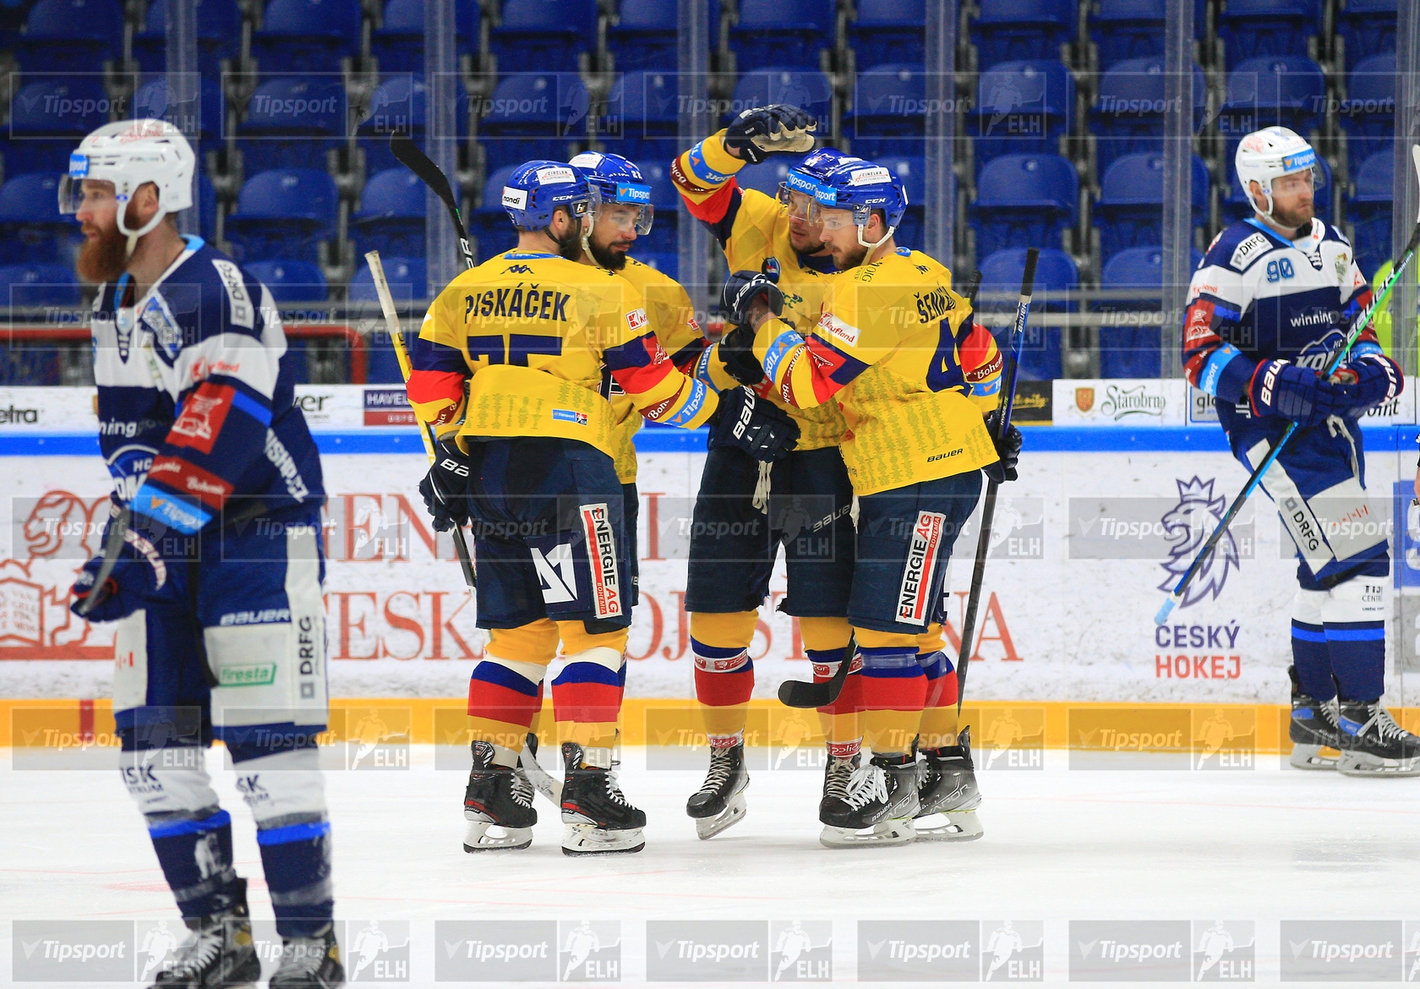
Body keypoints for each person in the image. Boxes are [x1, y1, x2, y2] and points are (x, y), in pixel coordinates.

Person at [406, 160, 798, 854]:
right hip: (574, 471)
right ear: (563, 219)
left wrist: (454, 453)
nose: (605, 224)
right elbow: (659, 390)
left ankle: (492, 788)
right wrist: (731, 414)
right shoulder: (600, 289)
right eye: (591, 213)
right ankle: (589, 790)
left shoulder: (462, 289)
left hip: (493, 472)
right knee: (595, 634)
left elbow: (433, 392)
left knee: (517, 639)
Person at [63, 120, 343, 987]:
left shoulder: (212, 289)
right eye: (83, 193)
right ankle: (219, 931)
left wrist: (145, 533)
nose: (83, 212)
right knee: (152, 751)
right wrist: (131, 528)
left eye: (100, 194)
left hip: (259, 532)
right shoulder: (116, 302)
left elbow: (221, 420)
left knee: (269, 749)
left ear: (150, 201)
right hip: (165, 539)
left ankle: (311, 940)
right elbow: (137, 438)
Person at [674, 105, 977, 839]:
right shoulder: (765, 222)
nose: (797, 216)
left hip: (834, 456)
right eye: (796, 201)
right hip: (744, 449)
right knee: (716, 613)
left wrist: (985, 408)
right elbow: (690, 180)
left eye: (815, 208)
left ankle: (862, 765)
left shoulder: (874, 278)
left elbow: (835, 374)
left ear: (865, 221)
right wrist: (736, 143)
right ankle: (727, 760)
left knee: (856, 628)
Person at [719, 155, 1021, 846]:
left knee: (885, 635)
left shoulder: (868, 293)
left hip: (915, 472)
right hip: (932, 467)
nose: (813, 226)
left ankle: (891, 779)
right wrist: (986, 427)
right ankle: (949, 771)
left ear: (872, 221)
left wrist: (763, 317)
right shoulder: (924, 271)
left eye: (828, 215)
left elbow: (802, 385)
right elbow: (983, 361)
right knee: (914, 633)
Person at [1183, 125, 1418, 775]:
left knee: (1324, 567)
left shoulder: (1335, 245)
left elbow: (1364, 321)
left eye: (1307, 177)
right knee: (1359, 556)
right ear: (1258, 190)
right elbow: (1198, 353)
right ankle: (1360, 716)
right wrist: (1269, 383)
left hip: (1334, 430)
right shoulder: (1234, 253)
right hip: (1271, 437)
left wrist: (1374, 369)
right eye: (1288, 182)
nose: (1303, 190)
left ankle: (1313, 713)